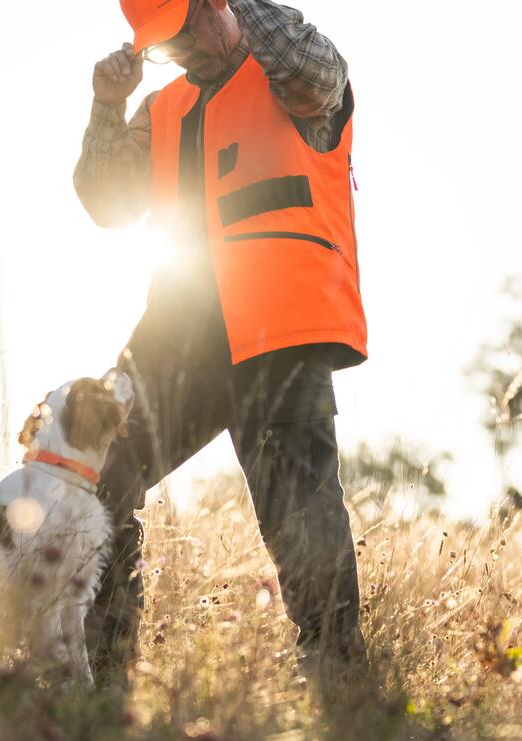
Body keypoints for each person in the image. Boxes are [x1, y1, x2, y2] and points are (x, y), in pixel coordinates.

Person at [74, 0, 368, 682]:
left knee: (296, 507)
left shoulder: (294, 76)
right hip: (179, 333)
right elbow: (106, 203)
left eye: (184, 33)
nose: (179, 54)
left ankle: (338, 678)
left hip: (281, 326)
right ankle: (104, 672)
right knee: (98, 469)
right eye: (161, 46)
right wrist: (106, 107)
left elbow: (314, 73)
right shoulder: (164, 107)